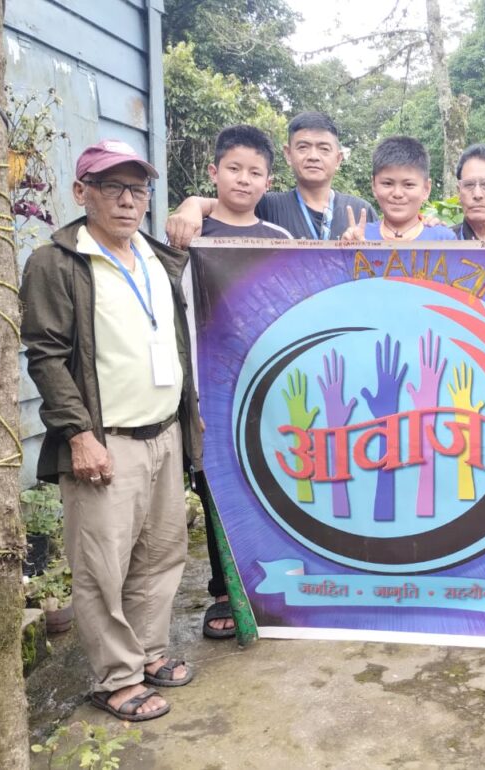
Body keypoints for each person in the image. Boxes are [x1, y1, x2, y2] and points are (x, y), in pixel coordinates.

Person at [20, 140, 204, 722]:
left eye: (138, 189)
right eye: (113, 188)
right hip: (107, 439)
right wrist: (78, 433)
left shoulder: (154, 254)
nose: (128, 201)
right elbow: (46, 355)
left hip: (163, 432)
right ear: (83, 193)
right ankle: (115, 678)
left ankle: (148, 654)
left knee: (162, 553)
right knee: (103, 565)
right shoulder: (58, 261)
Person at [194, 125, 292, 640]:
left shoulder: (280, 241)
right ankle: (220, 591)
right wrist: (194, 207)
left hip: (269, 388)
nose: (244, 179)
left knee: (271, 480)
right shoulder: (191, 236)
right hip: (210, 391)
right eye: (233, 168)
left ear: (267, 181)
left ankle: (269, 578)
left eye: (255, 172)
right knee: (215, 483)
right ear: (214, 173)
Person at [166, 111, 376, 247]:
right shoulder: (266, 204)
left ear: (338, 159)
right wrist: (190, 207)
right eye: (303, 147)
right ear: (288, 153)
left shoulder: (361, 211)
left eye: (323, 148)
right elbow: (223, 206)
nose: (313, 156)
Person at [341, 136, 456, 242]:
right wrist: (346, 252)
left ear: (426, 189)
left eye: (408, 185)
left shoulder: (443, 238)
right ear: (374, 185)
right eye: (387, 183)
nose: (397, 193)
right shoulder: (357, 237)